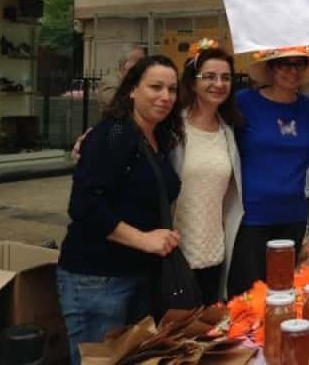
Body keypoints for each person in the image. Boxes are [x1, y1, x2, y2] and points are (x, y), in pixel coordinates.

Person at [56, 55, 183, 365]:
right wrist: (144, 239)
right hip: (98, 277)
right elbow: (84, 205)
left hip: (138, 273)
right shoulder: (114, 133)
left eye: (172, 89)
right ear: (132, 90)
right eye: (155, 87)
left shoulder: (158, 135)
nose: (165, 96)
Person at [226, 47, 309, 297]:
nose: (292, 71)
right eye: (284, 64)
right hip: (250, 218)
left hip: (293, 218)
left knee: (282, 295)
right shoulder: (244, 102)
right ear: (271, 68)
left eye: (298, 64)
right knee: (247, 297)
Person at [171, 41, 244, 303]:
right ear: (193, 82)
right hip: (175, 253)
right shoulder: (173, 128)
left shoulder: (229, 132)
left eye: (226, 77)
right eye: (209, 77)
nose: (219, 84)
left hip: (215, 253)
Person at [97, 45, 146, 111]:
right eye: (139, 61)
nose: (144, 64)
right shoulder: (109, 81)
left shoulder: (137, 79)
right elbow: (117, 103)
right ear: (125, 63)